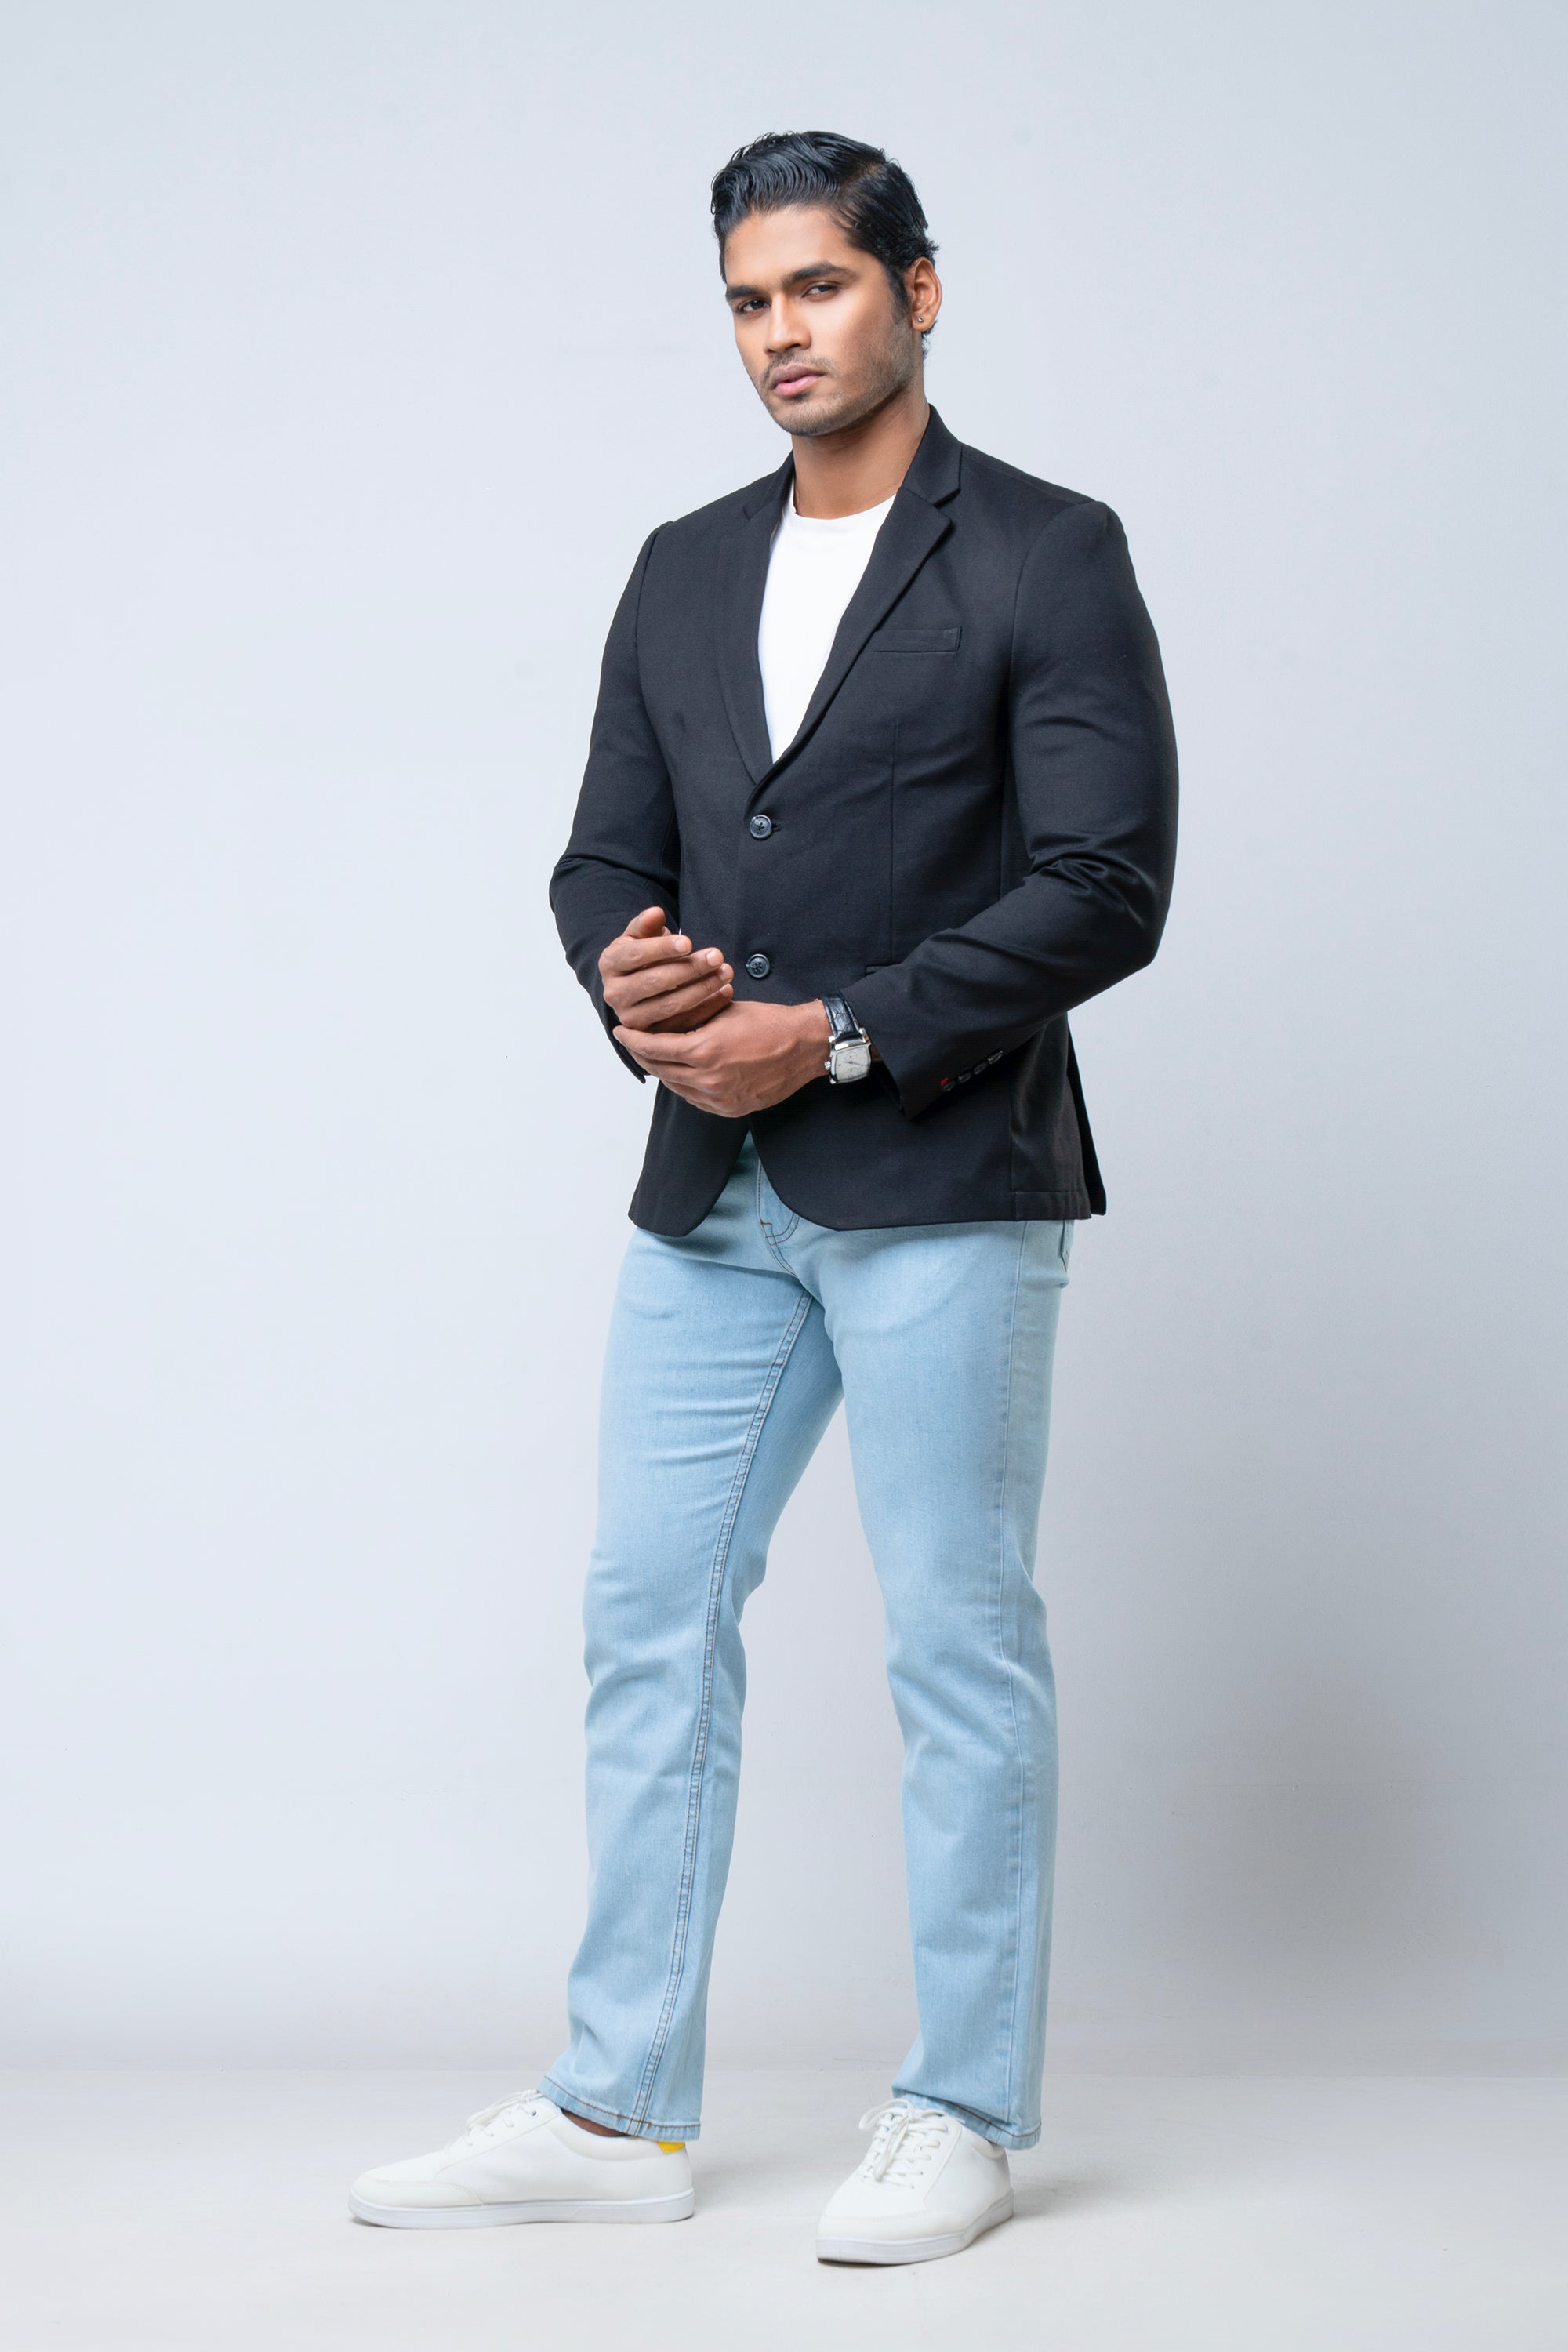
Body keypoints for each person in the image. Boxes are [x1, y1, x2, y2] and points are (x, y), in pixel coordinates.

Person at [350, 129, 1177, 2266]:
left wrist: (840, 1032)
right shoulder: (682, 563)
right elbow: (600, 855)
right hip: (711, 1186)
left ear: (918, 290)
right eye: (747, 299)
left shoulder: (1046, 550)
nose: (781, 332)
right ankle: (617, 2109)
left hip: (942, 1177)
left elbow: (1107, 884)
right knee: (648, 1618)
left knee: (957, 1641)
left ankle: (964, 2109)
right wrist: (622, 972)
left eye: (820, 285)